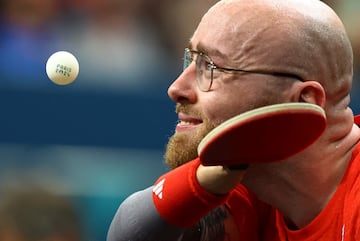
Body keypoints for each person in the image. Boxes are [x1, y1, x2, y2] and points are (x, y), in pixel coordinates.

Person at [107, 0, 360, 240]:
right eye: (191, 59)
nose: (176, 88)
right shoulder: (247, 185)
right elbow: (130, 232)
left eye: (211, 67)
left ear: (304, 100)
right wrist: (198, 184)